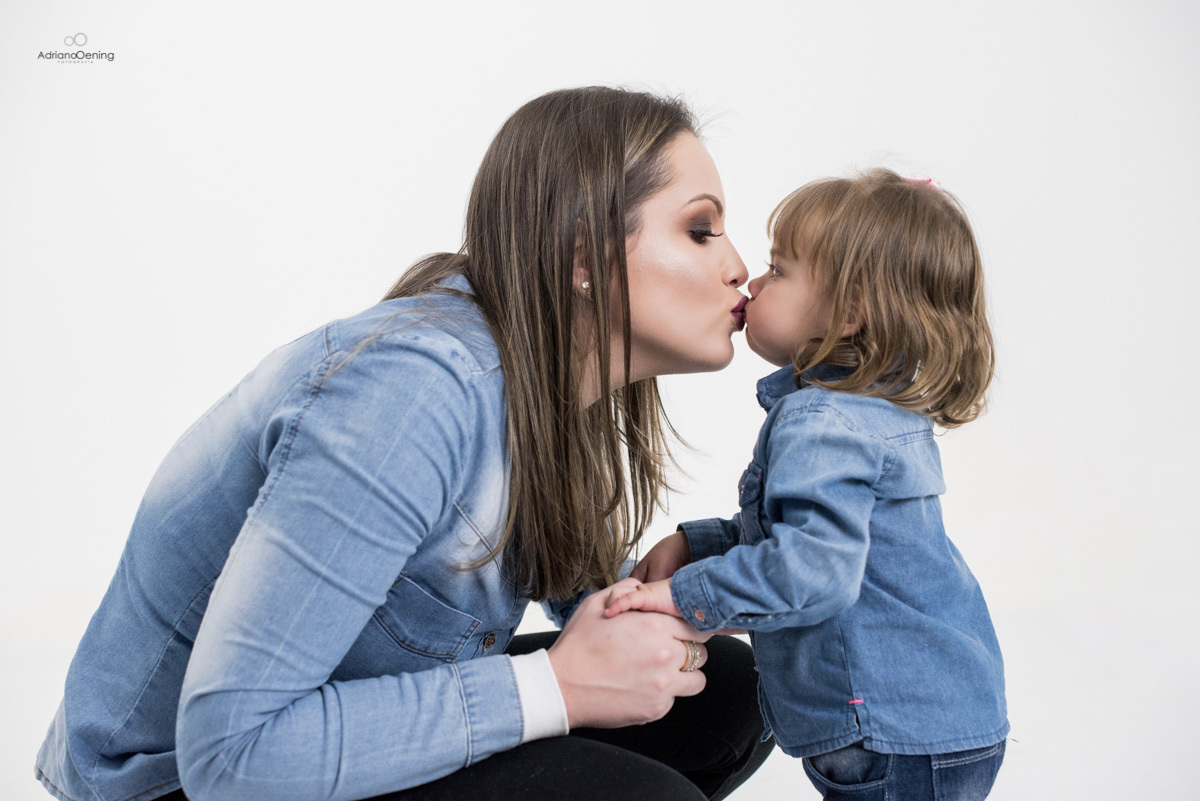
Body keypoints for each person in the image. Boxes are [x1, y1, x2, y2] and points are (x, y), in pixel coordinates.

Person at [34, 87, 776, 801]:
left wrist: (687, 582)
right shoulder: (413, 393)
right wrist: (559, 686)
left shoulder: (544, 383)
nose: (737, 264)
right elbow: (227, 754)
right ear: (584, 257)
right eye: (701, 229)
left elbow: (581, 596)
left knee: (725, 694)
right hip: (186, 779)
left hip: (328, 720)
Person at [606, 170, 1009, 800]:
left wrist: (685, 596)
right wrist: (701, 545)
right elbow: (815, 538)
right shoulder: (870, 410)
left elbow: (811, 571)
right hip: (938, 716)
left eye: (778, 269)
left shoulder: (822, 422)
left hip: (888, 733)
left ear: (849, 313)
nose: (753, 282)